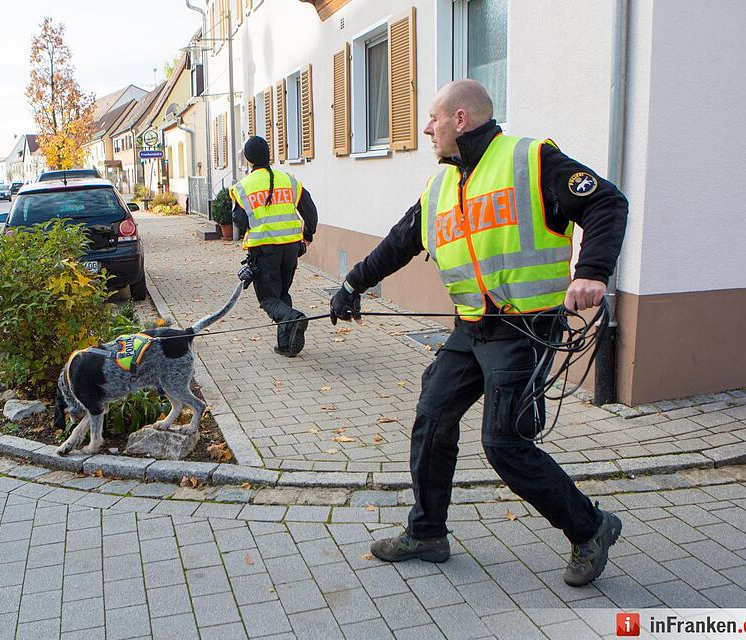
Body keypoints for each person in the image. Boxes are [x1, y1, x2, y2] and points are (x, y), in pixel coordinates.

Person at [330, 80, 629, 586]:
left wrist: (593, 271)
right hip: (471, 329)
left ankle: (591, 527)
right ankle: (427, 533)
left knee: (505, 443)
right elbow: (400, 241)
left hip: (525, 329)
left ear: (461, 119)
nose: (427, 128)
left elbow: (606, 203)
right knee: (432, 416)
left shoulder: (530, 161)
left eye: (434, 119)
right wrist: (353, 282)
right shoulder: (442, 185)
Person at [230, 136, 318, 357]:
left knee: (268, 299)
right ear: (268, 154)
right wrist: (308, 235)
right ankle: (286, 345)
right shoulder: (288, 180)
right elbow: (310, 210)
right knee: (282, 293)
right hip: (290, 248)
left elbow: (239, 220)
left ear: (249, 159)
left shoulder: (243, 187)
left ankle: (294, 318)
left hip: (263, 250)